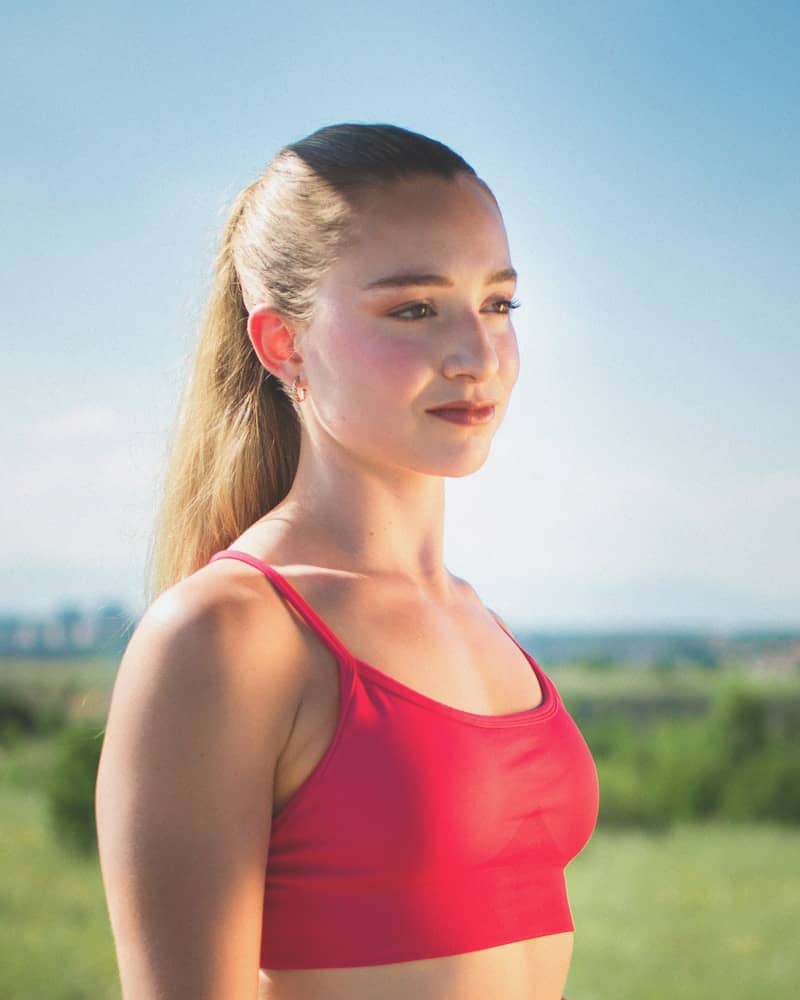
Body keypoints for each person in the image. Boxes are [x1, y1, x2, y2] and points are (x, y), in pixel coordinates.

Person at [95, 123, 599, 1000]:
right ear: (283, 343)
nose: (478, 355)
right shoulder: (223, 637)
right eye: (414, 309)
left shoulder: (483, 623)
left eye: (498, 304)